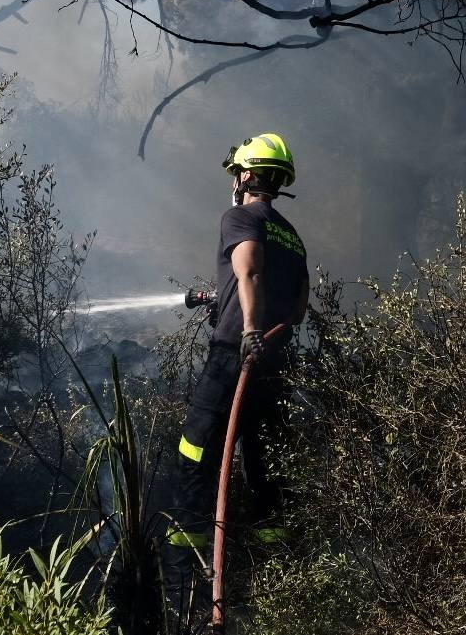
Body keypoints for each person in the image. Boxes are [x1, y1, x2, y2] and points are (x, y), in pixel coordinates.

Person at [163, 133, 309, 613]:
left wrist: (245, 329)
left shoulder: (239, 217)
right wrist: (218, 302)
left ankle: (182, 591)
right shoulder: (292, 235)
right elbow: (297, 306)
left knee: (194, 455)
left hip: (234, 358)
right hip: (274, 365)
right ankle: (277, 588)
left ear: (246, 174)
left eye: (236, 173)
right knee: (264, 466)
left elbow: (247, 271)